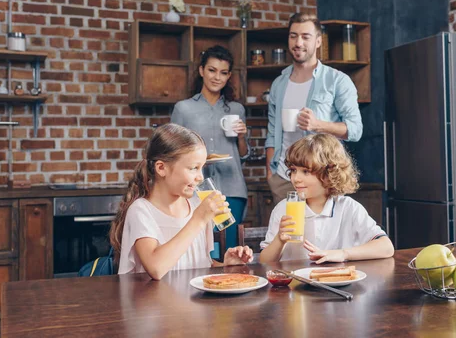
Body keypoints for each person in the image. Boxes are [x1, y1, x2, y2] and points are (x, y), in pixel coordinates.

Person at [109, 123, 253, 280]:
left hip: (192, 302)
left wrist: (226, 266)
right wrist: (198, 219)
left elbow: (199, 265)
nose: (200, 177)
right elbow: (156, 268)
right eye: (193, 168)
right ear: (161, 168)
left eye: (202, 168)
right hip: (153, 304)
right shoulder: (141, 210)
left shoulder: (196, 205)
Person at [265, 13, 363, 205]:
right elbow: (272, 131)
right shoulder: (279, 83)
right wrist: (270, 173)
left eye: (305, 36)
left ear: (318, 41)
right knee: (288, 234)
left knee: (322, 234)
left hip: (322, 179)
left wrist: (318, 125)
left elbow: (355, 130)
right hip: (284, 179)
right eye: (293, 36)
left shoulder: (337, 81)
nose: (298, 42)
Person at [259, 133, 393, 263]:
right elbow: (264, 261)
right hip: (295, 283)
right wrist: (279, 240)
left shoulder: (348, 207)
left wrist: (342, 253)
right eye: (293, 170)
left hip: (337, 281)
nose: (296, 178)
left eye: (305, 171)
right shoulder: (284, 208)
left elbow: (386, 247)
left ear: (330, 174)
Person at [170, 45, 249, 251]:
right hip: (196, 188)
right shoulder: (184, 109)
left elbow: (242, 155)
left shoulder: (236, 109)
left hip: (232, 188)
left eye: (223, 73)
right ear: (202, 70)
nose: (217, 77)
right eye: (212, 70)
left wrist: (241, 137)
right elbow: (172, 151)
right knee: (202, 248)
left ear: (229, 75)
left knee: (230, 248)